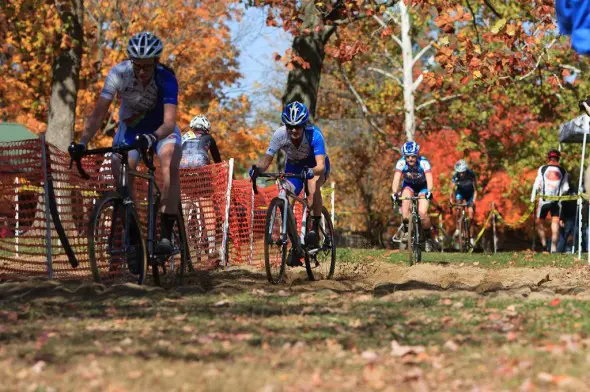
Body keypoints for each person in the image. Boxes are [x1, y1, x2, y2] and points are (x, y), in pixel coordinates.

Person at [70, 32, 182, 254]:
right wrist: (83, 141)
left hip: (161, 130)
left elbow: (170, 122)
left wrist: (153, 137)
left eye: (147, 67)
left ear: (155, 62)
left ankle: (167, 238)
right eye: (137, 66)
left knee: (169, 162)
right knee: (121, 177)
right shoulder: (119, 73)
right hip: (130, 131)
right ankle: (134, 239)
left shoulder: (166, 78)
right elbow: (99, 112)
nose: (141, 72)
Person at [249, 101, 330, 266]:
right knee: (286, 196)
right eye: (290, 126)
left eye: (298, 127)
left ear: (304, 125)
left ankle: (314, 228)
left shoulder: (314, 134)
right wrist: (257, 169)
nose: (294, 130)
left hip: (315, 166)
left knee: (312, 185)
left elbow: (320, 165)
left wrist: (312, 172)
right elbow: (266, 160)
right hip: (294, 166)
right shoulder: (279, 135)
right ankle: (295, 245)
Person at [391, 141, 437, 251]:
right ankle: (407, 232)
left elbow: (429, 177)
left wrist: (429, 191)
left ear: (417, 155)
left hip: (423, 187)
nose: (410, 159)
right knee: (405, 208)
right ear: (404, 156)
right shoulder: (401, 163)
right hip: (409, 186)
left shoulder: (423, 162)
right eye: (407, 157)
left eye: (413, 156)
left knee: (422, 214)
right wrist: (394, 193)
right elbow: (396, 178)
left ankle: (428, 238)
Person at [531, 149, 570, 253]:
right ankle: (553, 249)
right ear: (558, 158)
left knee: (539, 223)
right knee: (555, 224)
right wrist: (560, 193)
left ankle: (544, 246)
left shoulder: (542, 169)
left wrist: (532, 199)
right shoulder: (563, 171)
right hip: (556, 202)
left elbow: (536, 184)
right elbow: (566, 188)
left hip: (543, 200)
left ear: (548, 158)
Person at [449, 159, 477, 245]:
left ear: (466, 170)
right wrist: (451, 199)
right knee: (458, 208)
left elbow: (476, 190)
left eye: (463, 172)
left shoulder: (471, 174)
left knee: (471, 215)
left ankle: (471, 237)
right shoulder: (455, 176)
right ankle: (458, 228)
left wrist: (473, 201)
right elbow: (452, 189)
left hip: (470, 194)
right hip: (460, 193)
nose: (461, 174)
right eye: (459, 172)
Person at [557, 188, 577, 253]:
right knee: (566, 236)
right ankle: (565, 250)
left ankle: (562, 250)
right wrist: (561, 219)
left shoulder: (565, 197)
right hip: (568, 218)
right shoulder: (573, 197)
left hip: (569, 218)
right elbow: (563, 210)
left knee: (565, 236)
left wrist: (561, 219)